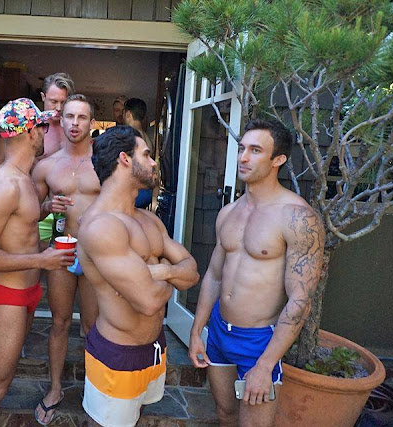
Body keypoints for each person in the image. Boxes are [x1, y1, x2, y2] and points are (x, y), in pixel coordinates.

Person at [187, 119, 325, 427]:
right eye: (241, 149)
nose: (243, 157)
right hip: (220, 332)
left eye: (255, 150)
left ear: (278, 159)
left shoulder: (298, 218)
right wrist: (197, 332)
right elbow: (214, 276)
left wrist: (266, 364)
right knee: (225, 414)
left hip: (259, 341)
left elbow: (300, 300)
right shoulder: (229, 212)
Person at [0, 98, 76, 427]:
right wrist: (41, 258)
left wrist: (46, 210)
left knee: (2, 383)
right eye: (42, 127)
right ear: (30, 133)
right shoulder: (6, 184)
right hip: (6, 297)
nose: (46, 132)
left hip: (26, 293)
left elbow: (18, 231)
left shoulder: (23, 178)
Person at [77, 126, 200, 427]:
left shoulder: (149, 219)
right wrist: (171, 274)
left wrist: (163, 270)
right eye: (146, 154)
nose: (154, 162)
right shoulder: (102, 227)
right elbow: (148, 301)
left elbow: (193, 272)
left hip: (154, 347)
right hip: (118, 353)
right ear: (125, 159)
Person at [32, 94, 100, 425]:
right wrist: (47, 207)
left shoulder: (105, 161)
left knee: (92, 327)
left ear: (91, 123)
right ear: (62, 119)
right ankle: (56, 388)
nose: (74, 123)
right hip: (61, 249)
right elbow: (30, 211)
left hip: (94, 252)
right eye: (69, 116)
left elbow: (123, 203)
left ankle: (95, 390)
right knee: (59, 322)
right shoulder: (47, 165)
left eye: (82, 117)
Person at [124, 98, 155, 209]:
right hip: (146, 190)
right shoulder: (146, 137)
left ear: (128, 114)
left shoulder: (129, 135)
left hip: (135, 192)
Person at [37, 72, 75, 161]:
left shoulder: (73, 128)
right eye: (53, 102)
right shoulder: (32, 129)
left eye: (63, 102)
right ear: (43, 97)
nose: (59, 108)